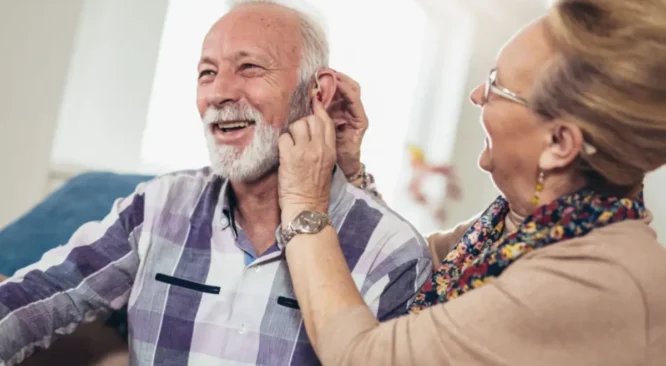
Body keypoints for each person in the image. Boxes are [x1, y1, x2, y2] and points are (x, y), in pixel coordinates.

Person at [0, 1, 431, 365]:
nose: (220, 92)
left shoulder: (391, 253)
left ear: (317, 94)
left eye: (249, 67)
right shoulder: (158, 206)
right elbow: (39, 295)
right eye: (207, 73)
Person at [276, 0, 666, 365]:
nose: (478, 95)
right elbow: (406, 268)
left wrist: (304, 204)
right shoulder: (524, 229)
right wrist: (350, 173)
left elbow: (365, 356)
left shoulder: (593, 282)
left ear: (559, 143)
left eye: (497, 85)